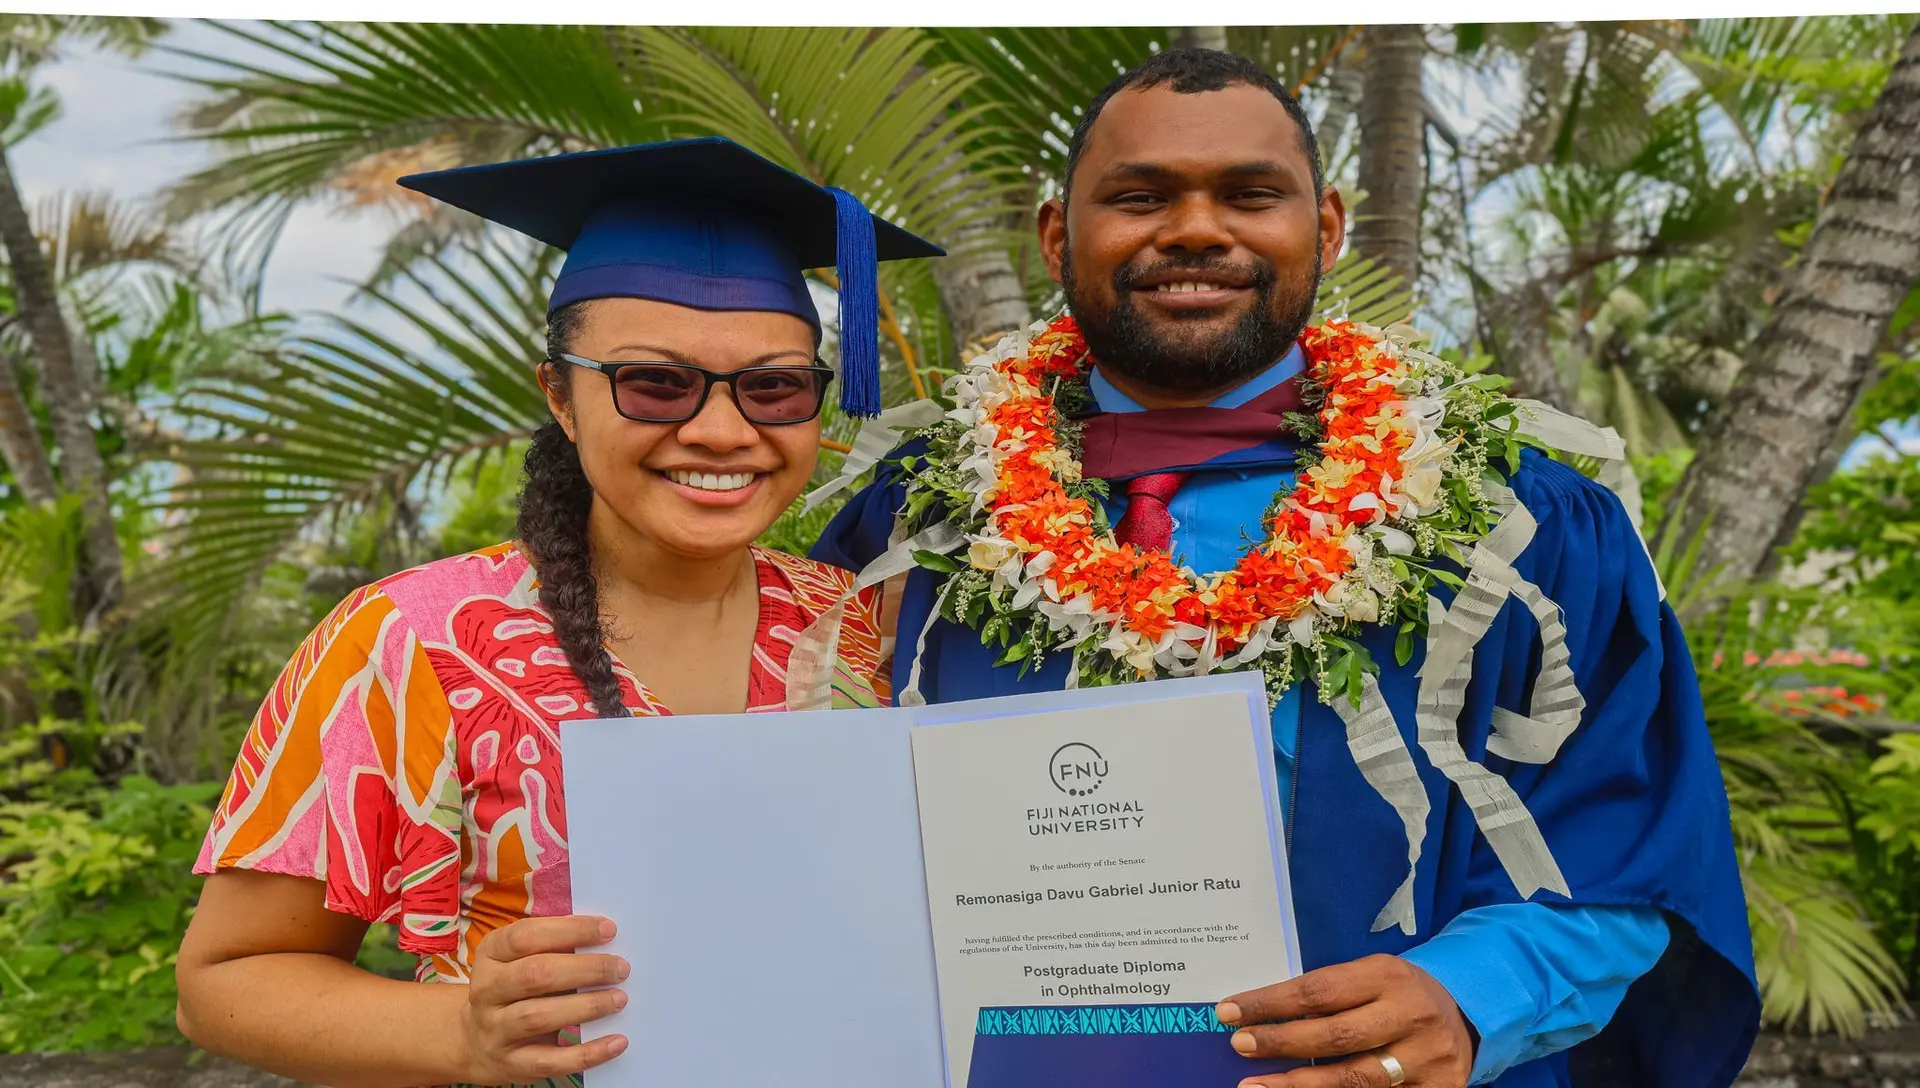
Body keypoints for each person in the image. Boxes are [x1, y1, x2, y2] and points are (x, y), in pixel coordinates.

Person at [812, 49, 1758, 1088]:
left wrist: (1471, 995)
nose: (1197, 229)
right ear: (1055, 234)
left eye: (1252, 195)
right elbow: (812, 806)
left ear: (1330, 225)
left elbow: (1635, 833)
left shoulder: (1517, 520)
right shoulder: (917, 518)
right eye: (1139, 196)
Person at [174, 137, 941, 1088]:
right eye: (654, 382)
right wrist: (462, 1030)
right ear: (560, 397)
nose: (721, 429)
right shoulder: (412, 639)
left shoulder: (886, 633)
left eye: (773, 386)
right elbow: (225, 980)